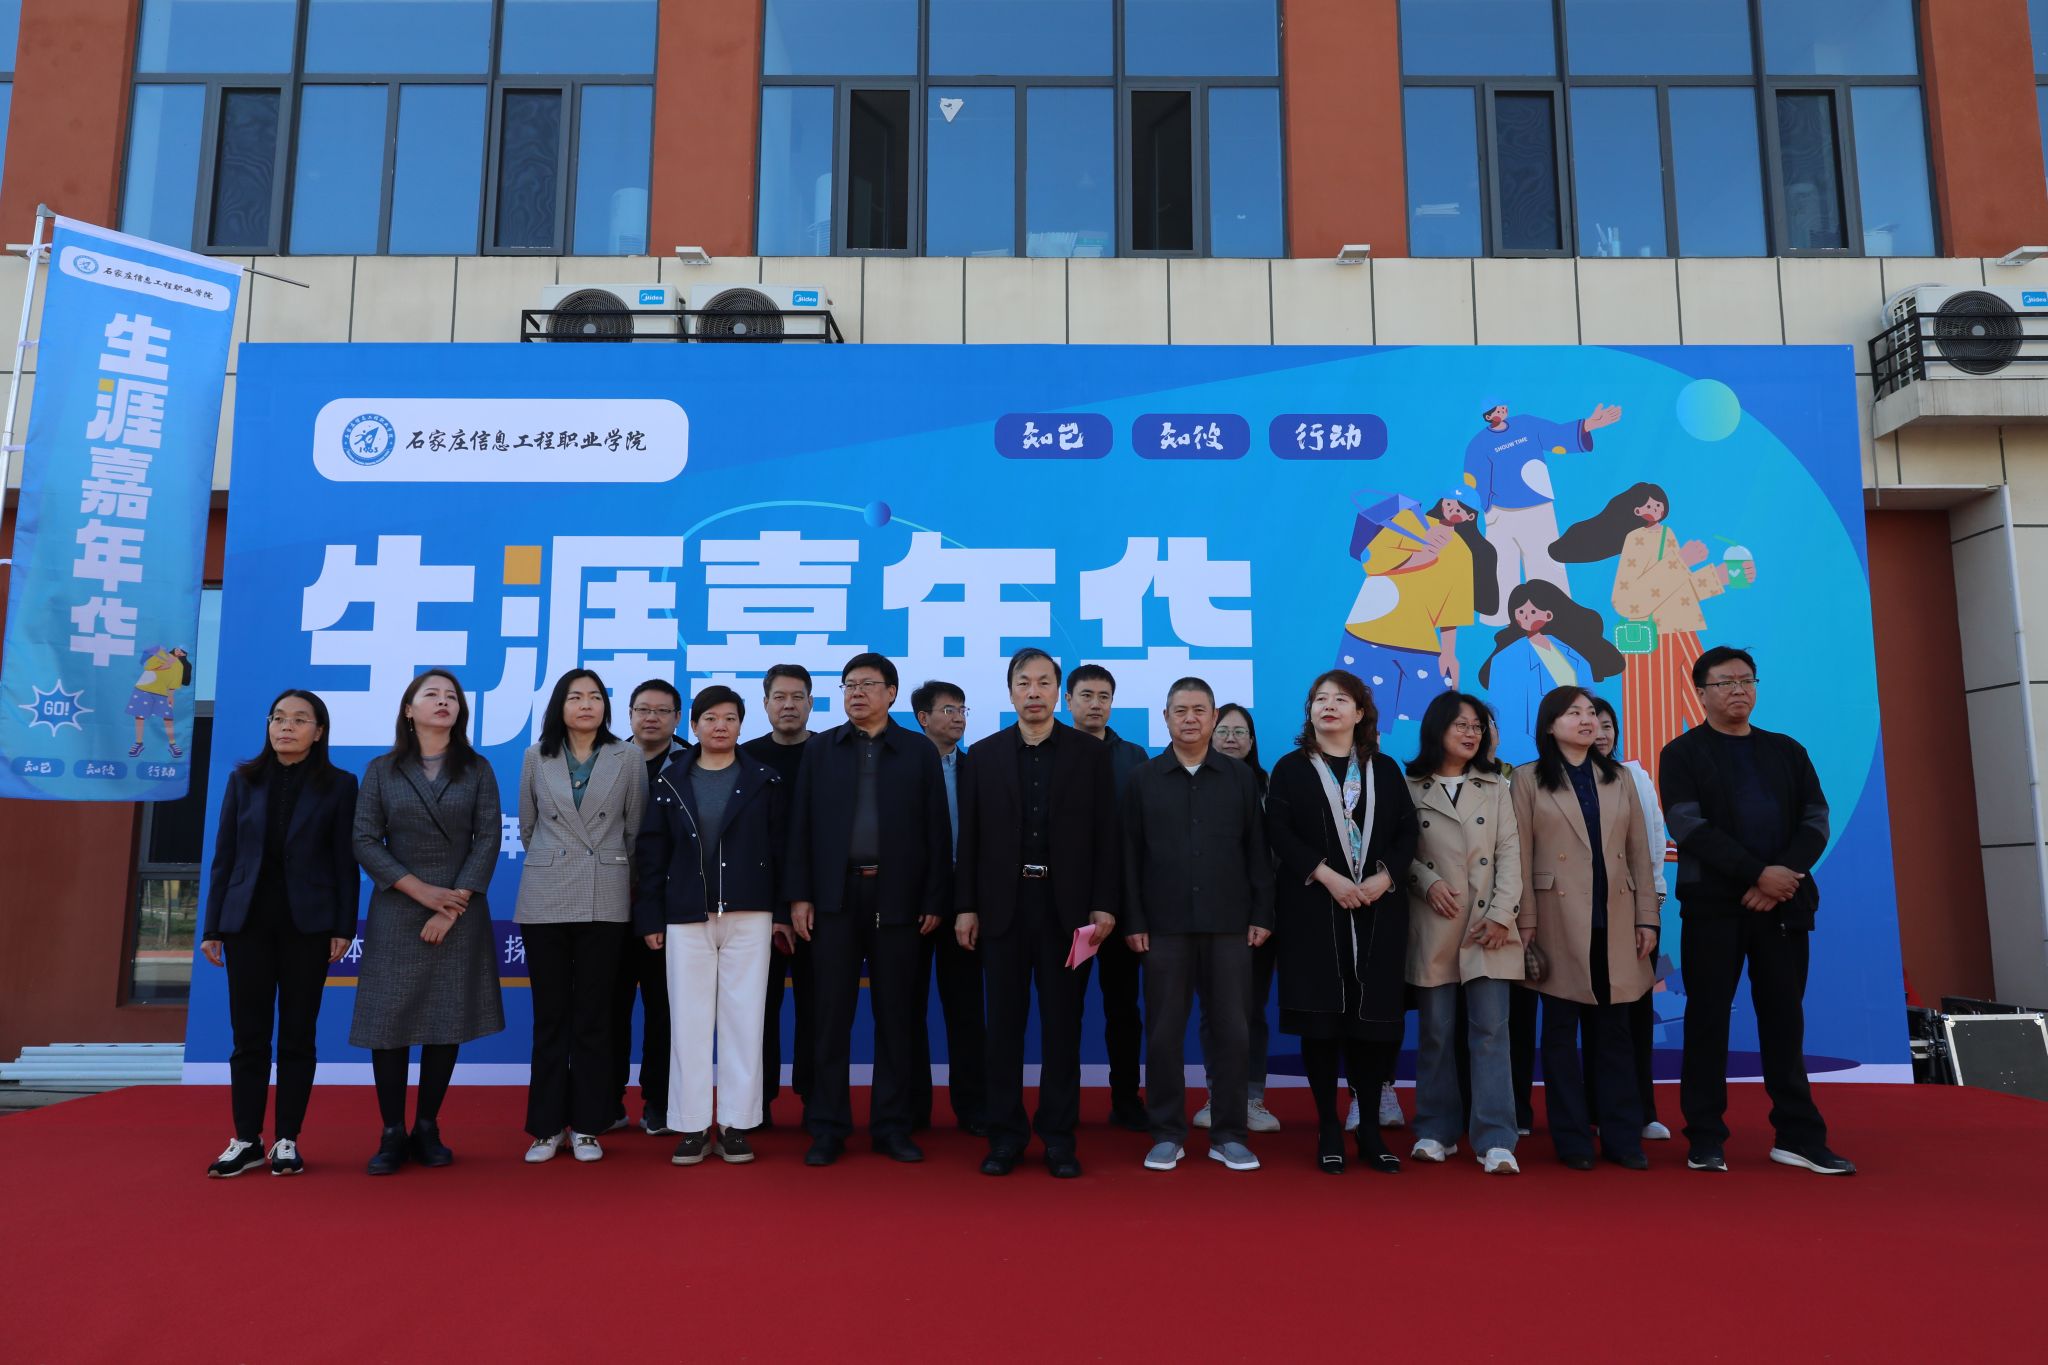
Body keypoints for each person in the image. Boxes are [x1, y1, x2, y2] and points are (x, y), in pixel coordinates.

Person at [1660, 647, 1852, 1176]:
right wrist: (1755, 874)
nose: (1738, 690)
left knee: (1785, 1020)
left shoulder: (1786, 750)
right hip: (1713, 909)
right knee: (1707, 1020)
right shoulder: (1682, 753)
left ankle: (1798, 1136)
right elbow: (1687, 826)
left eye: (1746, 680)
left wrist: (1779, 877)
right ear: (1701, 693)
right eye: (1725, 683)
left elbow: (1816, 819)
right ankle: (1705, 1137)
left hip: (1784, 906)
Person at [955, 649, 1120, 1178]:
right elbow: (969, 841)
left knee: (1062, 1029)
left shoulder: (1090, 755)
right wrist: (966, 907)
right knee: (1003, 1029)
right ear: (1010, 692)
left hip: (1066, 912)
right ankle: (1005, 1137)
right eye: (1023, 683)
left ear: (1058, 693)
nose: (1033, 692)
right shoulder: (982, 756)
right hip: (1001, 910)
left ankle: (1058, 1139)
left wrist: (1104, 903)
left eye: (1044, 683)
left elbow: (1107, 835)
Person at [786, 653, 952, 1166]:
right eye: (849, 685)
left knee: (896, 1017)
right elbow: (800, 827)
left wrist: (934, 898)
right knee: (830, 1017)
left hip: (898, 899)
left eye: (868, 685)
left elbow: (937, 831)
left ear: (892, 693)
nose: (856, 693)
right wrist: (800, 895)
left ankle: (892, 1126)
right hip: (834, 899)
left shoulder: (918, 751)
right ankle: (828, 1126)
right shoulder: (821, 749)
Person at [349, 670, 505, 1175]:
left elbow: (488, 838)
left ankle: (428, 1126)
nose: (443, 702)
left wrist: (451, 904)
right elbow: (364, 839)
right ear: (408, 709)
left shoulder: (477, 768)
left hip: (459, 908)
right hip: (399, 906)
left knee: (446, 1019)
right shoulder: (382, 770)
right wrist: (420, 891)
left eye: (451, 696)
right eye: (431, 695)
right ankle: (391, 1131)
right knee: (388, 1023)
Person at [200, 689, 359, 1178]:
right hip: (246, 924)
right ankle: (247, 1139)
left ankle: (287, 1138)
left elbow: (345, 861)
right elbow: (225, 856)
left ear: (319, 731)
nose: (286, 727)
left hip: (307, 926)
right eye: (278, 718)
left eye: (299, 719)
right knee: (248, 1037)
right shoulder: (243, 780)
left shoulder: (339, 784)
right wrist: (213, 925)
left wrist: (343, 925)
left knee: (297, 1036)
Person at [1266, 670, 1417, 1174]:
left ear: (1360, 713)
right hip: (1314, 909)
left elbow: (1407, 833)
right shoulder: (1290, 768)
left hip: (1378, 909)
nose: (1328, 706)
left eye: (1340, 699)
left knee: (1372, 1024)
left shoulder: (1385, 769)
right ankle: (1328, 1125)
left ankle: (1369, 1127)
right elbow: (1279, 832)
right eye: (1320, 699)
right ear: (1310, 711)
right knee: (1321, 1023)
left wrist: (1385, 878)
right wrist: (1328, 877)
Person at [1122, 676, 1274, 1173]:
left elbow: (1257, 851)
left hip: (1230, 924)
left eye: (1199, 710)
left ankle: (1229, 1134)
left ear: (1213, 718)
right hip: (1162, 925)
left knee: (1232, 1030)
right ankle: (1167, 1132)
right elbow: (1129, 857)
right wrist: (1134, 919)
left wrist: (1261, 913)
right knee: (1163, 1032)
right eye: (1180, 710)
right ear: (1165, 717)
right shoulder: (1143, 779)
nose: (1190, 719)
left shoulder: (1239, 778)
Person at [634, 685, 788, 1165]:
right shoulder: (671, 778)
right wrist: (650, 915)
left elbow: (782, 851)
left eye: (730, 718)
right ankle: (692, 1125)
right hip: (686, 915)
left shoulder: (764, 778)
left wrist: (782, 913)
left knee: (746, 1022)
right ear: (694, 725)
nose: (720, 726)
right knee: (688, 1023)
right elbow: (652, 853)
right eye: (710, 718)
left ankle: (737, 1124)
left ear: (742, 725)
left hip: (751, 914)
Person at [1511, 686, 1660, 1171]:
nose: (1586, 719)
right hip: (1555, 920)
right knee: (1559, 1035)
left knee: (1614, 1033)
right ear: (1550, 726)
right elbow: (1519, 856)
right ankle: (1572, 1139)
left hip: (1614, 919)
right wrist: (1526, 922)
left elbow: (1639, 852)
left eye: (1591, 712)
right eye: (1573, 712)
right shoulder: (1527, 779)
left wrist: (1646, 916)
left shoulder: (1620, 778)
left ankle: (1621, 1137)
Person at [515, 669, 645, 1165]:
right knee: (551, 1016)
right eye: (576, 697)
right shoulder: (536, 756)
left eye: (595, 697)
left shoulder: (627, 756)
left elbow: (635, 830)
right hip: (546, 893)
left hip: (604, 893)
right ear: (560, 706)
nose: (586, 704)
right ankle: (546, 1127)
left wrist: (611, 868)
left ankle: (590, 1124)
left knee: (595, 1016)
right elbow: (528, 826)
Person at [1402, 692, 1523, 1175]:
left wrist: (1502, 914)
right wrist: (1426, 881)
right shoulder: (1409, 785)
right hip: (1434, 921)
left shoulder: (1496, 786)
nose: (1472, 733)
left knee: (1491, 1031)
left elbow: (1510, 851)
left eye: (1478, 726)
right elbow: (1396, 850)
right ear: (1437, 728)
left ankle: (1496, 1139)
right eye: (1461, 725)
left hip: (1488, 926)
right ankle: (1436, 1130)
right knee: (1435, 1030)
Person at [1552, 481, 1733, 787]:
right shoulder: (1635, 540)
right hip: (1651, 643)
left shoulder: (1667, 535)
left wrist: (1720, 575)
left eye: (1657, 504)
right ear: (1634, 511)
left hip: (1683, 632)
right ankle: (1655, 807)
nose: (1653, 510)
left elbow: (1676, 593)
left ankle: (1719, 796)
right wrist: (1681, 561)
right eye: (1646, 505)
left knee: (1708, 718)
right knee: (1654, 732)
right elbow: (1627, 601)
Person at [1063, 663, 1150, 1132]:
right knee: (1066, 1009)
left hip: (1120, 906)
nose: (1095, 704)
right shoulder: (1053, 750)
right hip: (1068, 908)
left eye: (1104, 696)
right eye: (1086, 695)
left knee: (1123, 1009)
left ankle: (1126, 1099)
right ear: (1068, 701)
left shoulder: (1134, 757)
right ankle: (1063, 1103)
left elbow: (1142, 836)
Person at [1589, 696, 1671, 1142]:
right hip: (1581, 917)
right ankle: (1597, 1108)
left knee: (1636, 1013)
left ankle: (1642, 1109)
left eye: (1607, 725)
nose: (1600, 733)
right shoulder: (1552, 781)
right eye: (1590, 723)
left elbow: (1653, 843)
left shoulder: (1635, 777)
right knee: (1594, 1017)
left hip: (1635, 913)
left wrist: (1650, 908)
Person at [1461, 398, 1622, 622]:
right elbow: (1473, 477)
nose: (1502, 410)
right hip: (1499, 513)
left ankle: (1555, 616)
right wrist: (1487, 508)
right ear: (1488, 416)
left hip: (1538, 507)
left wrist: (1588, 425)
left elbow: (1556, 435)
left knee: (1546, 561)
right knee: (1501, 566)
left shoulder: (1526, 424)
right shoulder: (1478, 442)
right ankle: (1499, 618)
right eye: (1496, 409)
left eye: (1503, 406)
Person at [910, 679, 988, 1136]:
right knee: (908, 1009)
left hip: (964, 903)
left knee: (966, 1010)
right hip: (915, 903)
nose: (958, 717)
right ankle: (914, 1108)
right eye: (948, 710)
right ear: (923, 718)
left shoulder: (978, 767)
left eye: (962, 709)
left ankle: (972, 1106)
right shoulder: (903, 766)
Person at [1197, 703, 1279, 1135]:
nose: (1231, 739)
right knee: (1214, 1009)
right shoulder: (1194, 782)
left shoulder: (1268, 787)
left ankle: (1250, 1097)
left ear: (1252, 741)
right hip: (1207, 917)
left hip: (1258, 918)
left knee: (1251, 1009)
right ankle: (1217, 1094)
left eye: (1240, 732)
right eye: (1224, 731)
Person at [1335, 493, 1486, 725]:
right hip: (1367, 633)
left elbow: (1452, 608)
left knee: (1433, 721)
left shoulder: (1462, 552)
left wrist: (1448, 653)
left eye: (1461, 508)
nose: (1453, 509)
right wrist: (1424, 554)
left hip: (1418, 643)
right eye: (1450, 503)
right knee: (1363, 720)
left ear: (1469, 517)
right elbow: (1372, 561)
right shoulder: (1407, 521)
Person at [742, 663, 818, 1124]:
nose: (788, 705)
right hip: (756, 908)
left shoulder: (830, 753)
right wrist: (774, 909)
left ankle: (814, 1101)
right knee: (756, 1011)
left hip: (819, 906)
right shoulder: (745, 757)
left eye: (797, 697)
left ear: (811, 702)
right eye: (779, 697)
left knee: (817, 1009)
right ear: (766, 703)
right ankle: (757, 1102)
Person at [611, 679, 685, 1135]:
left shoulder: (695, 762)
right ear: (630, 715)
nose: (651, 718)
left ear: (678, 718)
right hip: (611, 903)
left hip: (671, 908)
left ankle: (659, 1101)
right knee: (608, 1007)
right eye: (643, 709)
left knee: (665, 1009)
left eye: (662, 710)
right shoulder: (606, 759)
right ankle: (607, 1100)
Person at [1475, 581, 1624, 765]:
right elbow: (1507, 718)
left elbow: (1590, 701)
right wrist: (1529, 761)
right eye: (1520, 612)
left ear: (1548, 614)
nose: (1526, 616)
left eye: (1533, 611)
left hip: (1578, 754)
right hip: (1535, 756)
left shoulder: (1573, 654)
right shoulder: (1506, 659)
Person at [127, 644, 193, 756]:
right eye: (178, 649)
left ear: (184, 655)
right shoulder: (162, 654)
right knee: (139, 716)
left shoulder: (179, 665)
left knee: (168, 717)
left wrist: (171, 696)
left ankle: (172, 744)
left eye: (182, 652)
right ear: (175, 648)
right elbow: (148, 667)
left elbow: (174, 683)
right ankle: (138, 743)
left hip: (162, 692)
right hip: (144, 688)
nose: (179, 652)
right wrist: (166, 665)